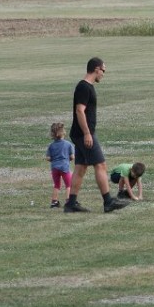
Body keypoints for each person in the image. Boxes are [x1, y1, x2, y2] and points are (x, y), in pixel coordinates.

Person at [66, 57, 129, 213]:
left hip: (80, 133)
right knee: (100, 164)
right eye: (103, 70)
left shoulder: (88, 87)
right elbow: (79, 111)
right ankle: (108, 201)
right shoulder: (84, 87)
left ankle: (71, 204)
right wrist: (87, 133)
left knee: (80, 167)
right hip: (83, 133)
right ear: (96, 69)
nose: (103, 74)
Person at [45, 122, 74, 208]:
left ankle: (54, 202)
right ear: (63, 132)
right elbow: (72, 156)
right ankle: (69, 201)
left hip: (55, 168)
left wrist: (53, 160)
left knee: (56, 185)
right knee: (69, 185)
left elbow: (48, 158)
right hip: (65, 167)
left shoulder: (51, 146)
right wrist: (68, 160)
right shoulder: (68, 144)